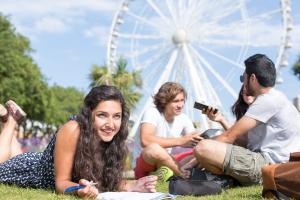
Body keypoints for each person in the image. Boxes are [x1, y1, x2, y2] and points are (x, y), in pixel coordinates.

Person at [0, 85, 157, 199]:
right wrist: (77, 189)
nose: (111, 124)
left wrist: (132, 185)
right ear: (89, 114)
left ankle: (7, 119)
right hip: (29, 171)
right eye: (102, 115)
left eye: (117, 116)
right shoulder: (73, 129)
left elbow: (103, 180)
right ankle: (11, 121)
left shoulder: (111, 137)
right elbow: (61, 183)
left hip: (34, 159)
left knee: (14, 155)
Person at [193, 54, 300, 186]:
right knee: (208, 144)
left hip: (271, 166)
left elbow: (228, 137)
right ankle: (230, 179)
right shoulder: (276, 98)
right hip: (270, 162)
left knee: (203, 147)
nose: (243, 83)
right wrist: (221, 120)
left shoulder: (267, 100)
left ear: (252, 78)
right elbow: (245, 142)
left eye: (243, 78)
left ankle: (230, 180)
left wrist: (195, 156)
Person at [132, 82, 202, 179]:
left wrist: (205, 138)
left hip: (166, 161)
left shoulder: (183, 118)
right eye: (176, 101)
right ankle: (182, 174)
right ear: (164, 101)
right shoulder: (152, 112)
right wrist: (180, 141)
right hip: (146, 162)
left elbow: (194, 138)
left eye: (182, 100)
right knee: (154, 149)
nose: (180, 105)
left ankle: (178, 171)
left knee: (201, 151)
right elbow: (146, 140)